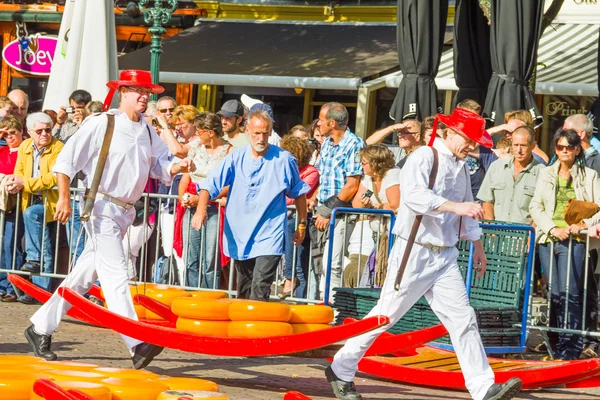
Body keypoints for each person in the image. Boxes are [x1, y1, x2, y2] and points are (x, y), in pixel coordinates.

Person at [326, 108, 522, 400]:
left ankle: (483, 388)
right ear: (452, 133)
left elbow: (468, 204)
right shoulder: (423, 157)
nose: (473, 146)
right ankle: (341, 367)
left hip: (444, 256)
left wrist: (477, 243)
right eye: (469, 139)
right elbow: (414, 196)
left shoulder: (459, 164)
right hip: (414, 251)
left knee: (463, 318)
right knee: (385, 316)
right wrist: (456, 208)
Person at [25, 70, 196, 368]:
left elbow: (160, 166)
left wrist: (176, 166)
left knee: (82, 277)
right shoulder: (102, 122)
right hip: (100, 208)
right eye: (138, 90)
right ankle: (136, 342)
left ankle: (40, 326)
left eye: (147, 91)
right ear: (123, 92)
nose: (145, 96)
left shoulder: (146, 129)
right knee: (116, 275)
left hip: (126, 211)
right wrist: (64, 198)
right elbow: (66, 163)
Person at [192, 109, 309, 301]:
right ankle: (242, 329)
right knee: (244, 288)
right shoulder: (235, 157)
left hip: (269, 235)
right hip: (240, 234)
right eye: (256, 133)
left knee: (260, 285)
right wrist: (201, 209)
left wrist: (302, 224)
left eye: (265, 132)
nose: (261, 137)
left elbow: (299, 193)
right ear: (247, 131)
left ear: (271, 132)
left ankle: (256, 329)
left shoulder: (284, 159)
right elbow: (209, 184)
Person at [529, 128, 600, 360]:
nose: (564, 151)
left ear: (577, 149)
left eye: (569, 147)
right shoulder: (546, 173)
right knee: (556, 294)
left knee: (572, 292)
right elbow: (535, 207)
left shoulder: (589, 175)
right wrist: (552, 228)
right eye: (560, 147)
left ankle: (570, 348)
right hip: (549, 239)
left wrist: (580, 225)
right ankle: (558, 345)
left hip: (577, 239)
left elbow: (598, 206)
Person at [10, 112, 64, 304]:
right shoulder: (25, 146)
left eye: (48, 130)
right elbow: (19, 171)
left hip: (50, 202)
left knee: (44, 245)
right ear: (30, 132)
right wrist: (16, 182)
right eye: (39, 130)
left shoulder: (58, 147)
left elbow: (54, 177)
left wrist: (27, 183)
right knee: (43, 245)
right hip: (29, 200)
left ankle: (41, 287)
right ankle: (39, 291)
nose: (44, 134)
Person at [313, 102, 364, 302]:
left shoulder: (354, 144)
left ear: (332, 123)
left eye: (321, 120)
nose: (318, 123)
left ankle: (334, 309)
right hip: (322, 210)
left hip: (341, 212)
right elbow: (324, 176)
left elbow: (352, 185)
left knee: (332, 263)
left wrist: (327, 210)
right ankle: (322, 302)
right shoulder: (327, 142)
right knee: (319, 263)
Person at [178, 112, 231, 289]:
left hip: (214, 208)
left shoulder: (230, 152)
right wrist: (183, 198)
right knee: (191, 255)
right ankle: (190, 291)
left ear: (211, 132)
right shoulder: (195, 149)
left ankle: (209, 294)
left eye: (200, 131)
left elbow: (230, 184)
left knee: (210, 257)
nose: (197, 134)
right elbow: (186, 177)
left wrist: (202, 199)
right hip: (191, 205)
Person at [345, 144, 400, 288]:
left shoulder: (393, 174)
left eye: (364, 163)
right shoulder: (369, 178)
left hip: (395, 235)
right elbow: (357, 203)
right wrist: (366, 206)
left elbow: (395, 205)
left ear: (375, 162)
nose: (361, 166)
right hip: (379, 235)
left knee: (388, 272)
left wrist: (375, 208)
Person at [279, 135, 319, 299]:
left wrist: (278, 196)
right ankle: (289, 277)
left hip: (301, 219)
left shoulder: (311, 172)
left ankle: (291, 281)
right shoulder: (282, 170)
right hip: (283, 217)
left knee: (301, 265)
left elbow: (297, 195)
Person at [477, 126, 544, 223]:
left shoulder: (542, 172)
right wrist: (490, 229)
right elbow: (487, 202)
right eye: (515, 145)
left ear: (533, 145)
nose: (519, 150)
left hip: (525, 233)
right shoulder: (496, 167)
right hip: (496, 232)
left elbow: (542, 209)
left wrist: (530, 235)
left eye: (523, 145)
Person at [0, 116, 25, 302]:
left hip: (16, 204)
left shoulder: (24, 151)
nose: (10, 137)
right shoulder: (2, 151)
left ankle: (12, 285)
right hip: (2, 203)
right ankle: (2, 284)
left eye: (13, 133)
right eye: (6, 134)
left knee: (11, 244)